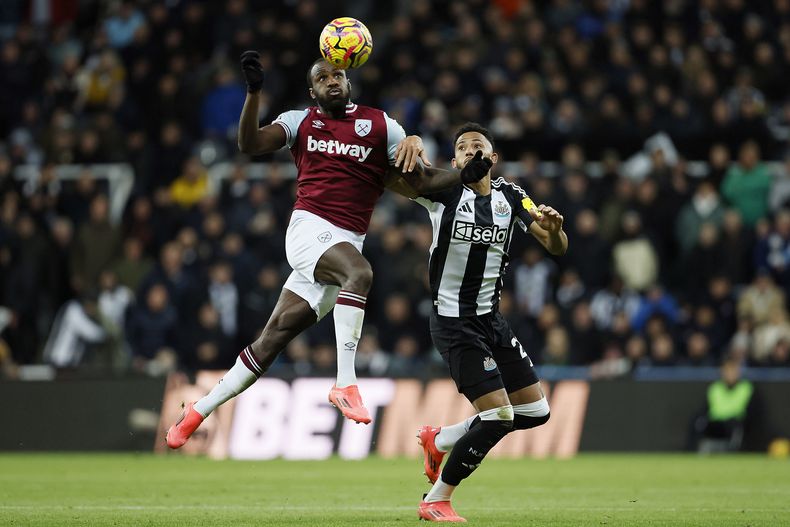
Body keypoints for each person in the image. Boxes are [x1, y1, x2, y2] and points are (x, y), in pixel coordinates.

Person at [166, 54, 492, 448]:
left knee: (271, 341)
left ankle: (198, 409)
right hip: (309, 231)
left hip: (343, 244)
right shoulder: (299, 121)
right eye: (322, 77)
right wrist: (253, 93)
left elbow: (419, 181)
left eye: (338, 74)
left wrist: (462, 174)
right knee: (361, 274)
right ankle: (346, 383)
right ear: (312, 91)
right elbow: (248, 143)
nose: (332, 81)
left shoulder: (381, 125)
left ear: (349, 81)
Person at [413, 123, 567, 522]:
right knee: (499, 415)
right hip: (454, 323)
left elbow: (555, 246)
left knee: (535, 412)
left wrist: (555, 230)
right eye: (462, 148)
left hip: (492, 322)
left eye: (477, 146)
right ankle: (436, 499)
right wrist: (408, 142)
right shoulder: (444, 192)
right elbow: (394, 178)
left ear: (492, 158)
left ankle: (441, 438)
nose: (469, 151)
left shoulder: (511, 196)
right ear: (454, 161)